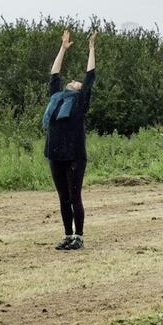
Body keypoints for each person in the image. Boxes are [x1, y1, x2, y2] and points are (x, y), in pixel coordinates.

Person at [42, 30, 96, 251]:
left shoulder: (80, 101)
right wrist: (63, 48)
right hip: (55, 154)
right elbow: (54, 73)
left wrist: (91, 48)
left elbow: (90, 75)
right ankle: (67, 235)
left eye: (77, 82)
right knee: (63, 197)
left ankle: (79, 237)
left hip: (74, 155)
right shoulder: (56, 98)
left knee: (75, 196)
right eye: (71, 81)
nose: (73, 81)